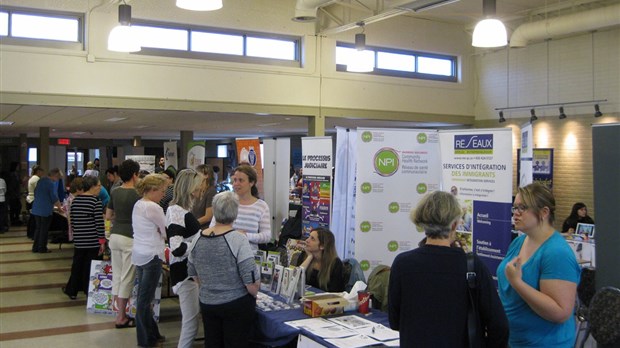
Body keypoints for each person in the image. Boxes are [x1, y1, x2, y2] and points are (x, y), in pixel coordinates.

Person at [388, 190, 508, 347]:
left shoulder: (402, 264)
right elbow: (499, 326)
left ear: (423, 223)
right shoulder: (472, 266)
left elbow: (395, 322)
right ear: (454, 224)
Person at [497, 183, 580, 347]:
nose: (516, 213)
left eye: (522, 208)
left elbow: (560, 312)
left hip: (545, 343)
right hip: (515, 340)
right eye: (514, 208)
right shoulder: (519, 242)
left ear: (544, 212)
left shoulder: (556, 252)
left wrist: (517, 283)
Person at [188, 191, 259, 348]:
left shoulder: (197, 238)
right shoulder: (238, 239)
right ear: (235, 213)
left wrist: (209, 286)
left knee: (212, 342)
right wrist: (255, 295)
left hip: (207, 302)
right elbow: (251, 278)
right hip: (236, 304)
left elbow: (192, 273)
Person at [165, 168, 202, 348]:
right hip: (184, 273)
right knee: (190, 323)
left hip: (188, 272)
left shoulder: (180, 210)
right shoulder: (177, 212)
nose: (201, 190)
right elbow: (177, 248)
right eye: (198, 186)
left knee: (191, 322)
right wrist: (200, 243)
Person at [132, 174, 167, 347]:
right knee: (144, 302)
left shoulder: (138, 204)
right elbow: (165, 230)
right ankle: (146, 341)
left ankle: (154, 333)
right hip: (152, 255)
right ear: (152, 190)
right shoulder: (154, 207)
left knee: (143, 298)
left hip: (139, 254)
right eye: (162, 190)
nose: (163, 194)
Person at [106, 159, 141, 329]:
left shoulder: (115, 191)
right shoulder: (138, 194)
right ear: (135, 174)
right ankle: (121, 316)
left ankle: (117, 313)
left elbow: (108, 215)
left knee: (118, 276)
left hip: (115, 237)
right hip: (130, 237)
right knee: (127, 278)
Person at [62, 176, 105, 300]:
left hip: (80, 240)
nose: (100, 188)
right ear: (91, 186)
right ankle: (89, 290)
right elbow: (99, 223)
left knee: (77, 265)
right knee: (90, 266)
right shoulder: (95, 201)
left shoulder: (76, 201)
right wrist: (101, 240)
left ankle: (72, 290)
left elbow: (73, 221)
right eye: (98, 185)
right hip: (92, 241)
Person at [211, 164, 271, 250]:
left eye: (241, 180)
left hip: (250, 254)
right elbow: (212, 227)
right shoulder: (226, 201)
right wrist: (231, 234)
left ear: (252, 182)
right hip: (225, 252)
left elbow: (266, 236)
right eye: (235, 180)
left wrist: (246, 236)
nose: (236, 184)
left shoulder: (262, 206)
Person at [299, 227, 345, 292]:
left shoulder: (335, 264)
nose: (307, 240)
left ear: (322, 246)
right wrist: (309, 257)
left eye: (312, 239)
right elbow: (296, 279)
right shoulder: (304, 255)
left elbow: (334, 293)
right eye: (309, 236)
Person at [31, 168, 64, 253]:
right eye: (58, 178)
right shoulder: (50, 184)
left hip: (36, 209)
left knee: (38, 229)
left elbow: (36, 192)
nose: (58, 180)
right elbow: (54, 198)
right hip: (45, 210)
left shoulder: (41, 180)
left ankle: (35, 247)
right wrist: (60, 208)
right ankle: (42, 248)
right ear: (55, 176)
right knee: (44, 230)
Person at [193, 164, 216, 228]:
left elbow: (208, 217)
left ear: (206, 175)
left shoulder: (211, 192)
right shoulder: (198, 191)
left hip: (204, 229)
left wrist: (192, 224)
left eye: (197, 174)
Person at [26, 165, 45, 239]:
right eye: (41, 172)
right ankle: (33, 234)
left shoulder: (31, 178)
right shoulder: (36, 179)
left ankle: (30, 233)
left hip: (30, 199)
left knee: (32, 218)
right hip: (34, 200)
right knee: (35, 219)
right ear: (38, 171)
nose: (42, 174)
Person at [6, 162, 22, 226]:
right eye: (17, 166)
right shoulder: (12, 175)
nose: (18, 167)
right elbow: (12, 186)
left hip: (15, 194)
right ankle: (14, 220)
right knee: (14, 208)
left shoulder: (15, 174)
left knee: (16, 207)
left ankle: (15, 219)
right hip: (13, 195)